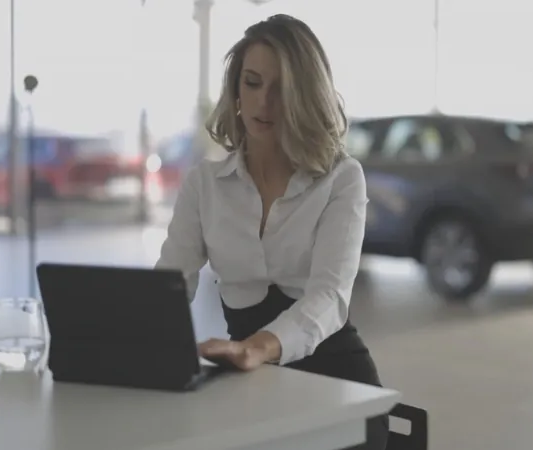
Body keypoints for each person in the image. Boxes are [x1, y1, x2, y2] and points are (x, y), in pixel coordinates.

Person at [155, 14, 389, 450]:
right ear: (236, 91)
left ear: (306, 96)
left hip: (338, 386)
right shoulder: (204, 184)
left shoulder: (341, 179)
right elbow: (167, 286)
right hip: (252, 386)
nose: (264, 103)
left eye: (281, 89)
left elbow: (329, 298)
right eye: (253, 83)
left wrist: (258, 348)